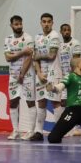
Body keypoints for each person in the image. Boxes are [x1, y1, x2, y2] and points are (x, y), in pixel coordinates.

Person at [28, 13, 62, 141]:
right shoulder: (37, 37)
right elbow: (35, 58)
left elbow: (52, 55)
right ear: (41, 23)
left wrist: (37, 56)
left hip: (53, 74)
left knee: (55, 102)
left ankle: (59, 132)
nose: (46, 24)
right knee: (41, 102)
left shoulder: (54, 36)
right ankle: (39, 132)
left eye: (49, 21)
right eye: (44, 21)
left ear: (52, 23)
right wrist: (38, 72)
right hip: (41, 75)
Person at [4, 15, 36, 140]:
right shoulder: (8, 39)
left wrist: (22, 74)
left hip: (27, 75)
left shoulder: (28, 38)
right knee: (13, 102)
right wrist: (22, 52)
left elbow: (29, 57)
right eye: (16, 24)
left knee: (30, 101)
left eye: (20, 24)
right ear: (11, 25)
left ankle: (31, 131)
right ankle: (15, 131)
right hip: (13, 75)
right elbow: (8, 58)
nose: (19, 26)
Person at [58, 23, 81, 108]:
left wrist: (71, 77)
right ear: (61, 32)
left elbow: (76, 62)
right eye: (64, 30)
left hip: (73, 77)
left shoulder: (75, 43)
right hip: (63, 78)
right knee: (63, 103)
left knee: (73, 104)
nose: (67, 32)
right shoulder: (60, 45)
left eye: (68, 30)